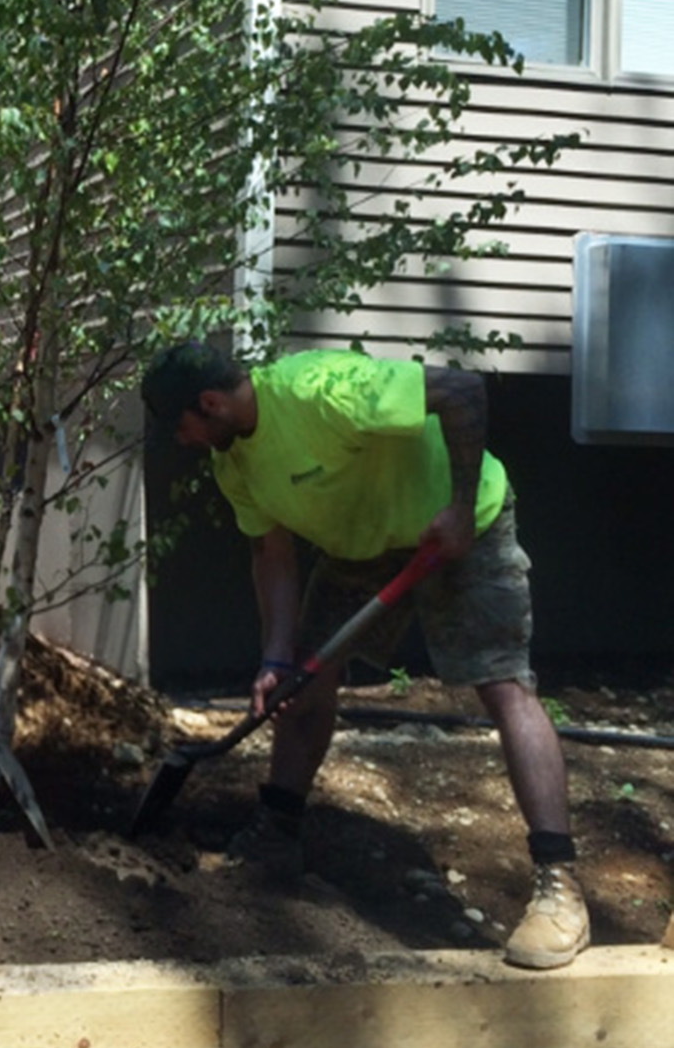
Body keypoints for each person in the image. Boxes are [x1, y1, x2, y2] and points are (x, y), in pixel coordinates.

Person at [140, 341, 589, 970]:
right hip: (361, 547)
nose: (181, 442)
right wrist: (275, 657)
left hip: (460, 528)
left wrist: (459, 507)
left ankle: (560, 887)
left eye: (180, 426)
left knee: (503, 685)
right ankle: (276, 832)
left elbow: (461, 391)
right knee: (303, 679)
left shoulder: (322, 389)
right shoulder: (231, 461)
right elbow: (270, 553)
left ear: (209, 403)